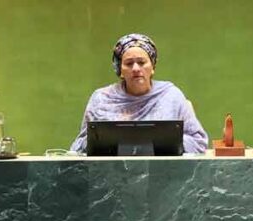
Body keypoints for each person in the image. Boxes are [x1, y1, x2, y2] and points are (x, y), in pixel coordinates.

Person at [70, 33, 208, 154]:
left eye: (142, 62)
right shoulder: (101, 99)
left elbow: (199, 142)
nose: (136, 68)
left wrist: (165, 140)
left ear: (152, 67)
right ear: (120, 70)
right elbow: (78, 147)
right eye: (129, 64)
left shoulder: (171, 96)